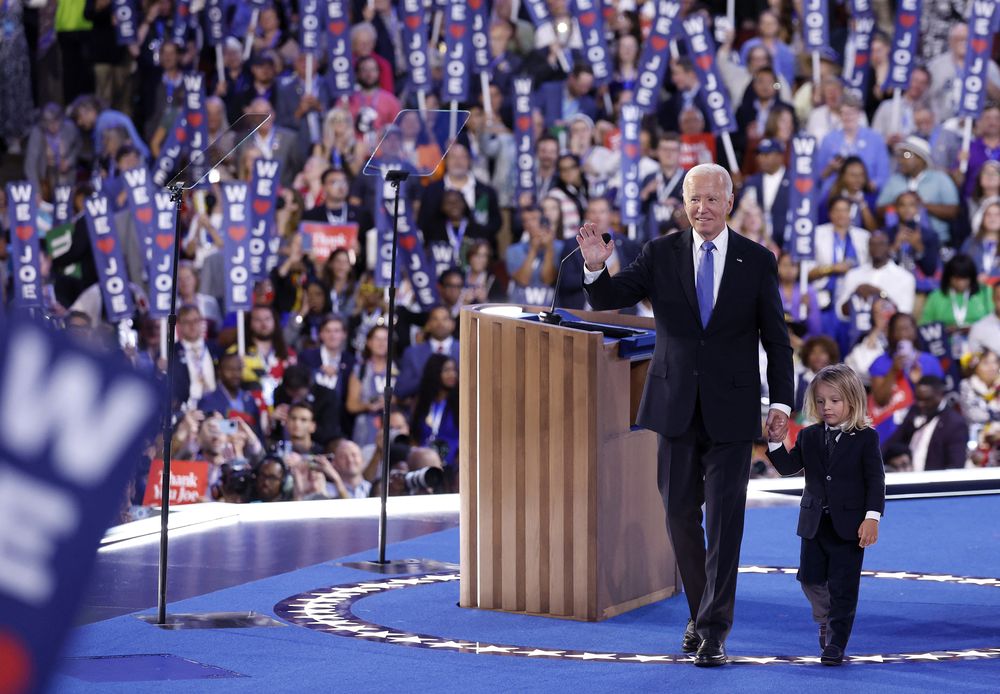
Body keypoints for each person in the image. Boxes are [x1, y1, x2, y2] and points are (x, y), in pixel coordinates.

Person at [578, 163, 794, 667]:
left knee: (725, 523)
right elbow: (612, 298)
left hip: (733, 413)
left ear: (730, 202)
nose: (702, 209)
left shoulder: (757, 261)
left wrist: (782, 404)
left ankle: (714, 631)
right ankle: (702, 611)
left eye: (712, 200)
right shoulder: (659, 253)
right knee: (678, 514)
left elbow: (777, 342)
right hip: (674, 407)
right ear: (684, 201)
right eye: (694, 199)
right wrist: (595, 268)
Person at [766, 364, 885, 666]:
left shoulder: (866, 438)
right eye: (820, 401)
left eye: (834, 400)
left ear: (852, 401)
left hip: (850, 527)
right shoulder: (808, 436)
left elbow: (875, 481)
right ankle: (825, 618)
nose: (826, 407)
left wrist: (872, 516)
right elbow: (788, 467)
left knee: (844, 586)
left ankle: (836, 642)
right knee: (809, 579)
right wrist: (776, 440)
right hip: (814, 524)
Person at [883, 375, 969, 471]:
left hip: (934, 481)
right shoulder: (914, 411)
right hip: (907, 477)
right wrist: (897, 456)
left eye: (927, 399)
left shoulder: (954, 423)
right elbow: (892, 443)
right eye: (918, 399)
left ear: (940, 395)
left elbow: (956, 465)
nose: (921, 404)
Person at [920, 254, 994, 332]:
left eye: (964, 278)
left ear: (972, 277)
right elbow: (924, 326)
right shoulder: (936, 296)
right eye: (956, 278)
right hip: (946, 341)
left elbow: (995, 320)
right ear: (948, 277)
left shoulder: (985, 292)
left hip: (980, 339)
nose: (960, 283)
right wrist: (944, 330)